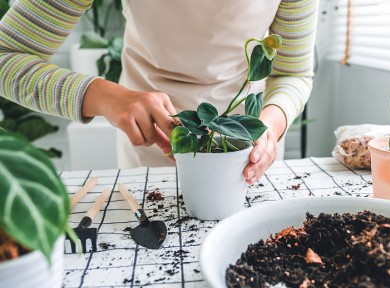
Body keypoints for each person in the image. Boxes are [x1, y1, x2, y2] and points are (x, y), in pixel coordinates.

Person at [0, 0, 319, 184]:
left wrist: (269, 128)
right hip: (148, 144)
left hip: (242, 151)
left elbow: (293, 73)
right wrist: (108, 97)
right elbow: (5, 56)